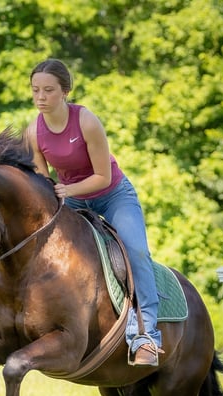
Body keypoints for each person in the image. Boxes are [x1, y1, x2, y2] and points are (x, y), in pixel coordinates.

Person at [25, 58, 163, 367]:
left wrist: (68, 191)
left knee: (137, 252)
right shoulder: (34, 130)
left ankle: (147, 336)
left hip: (111, 196)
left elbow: (102, 176)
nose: (41, 97)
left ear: (65, 91)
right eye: (36, 90)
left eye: (48, 90)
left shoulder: (86, 121)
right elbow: (42, 178)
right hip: (70, 199)